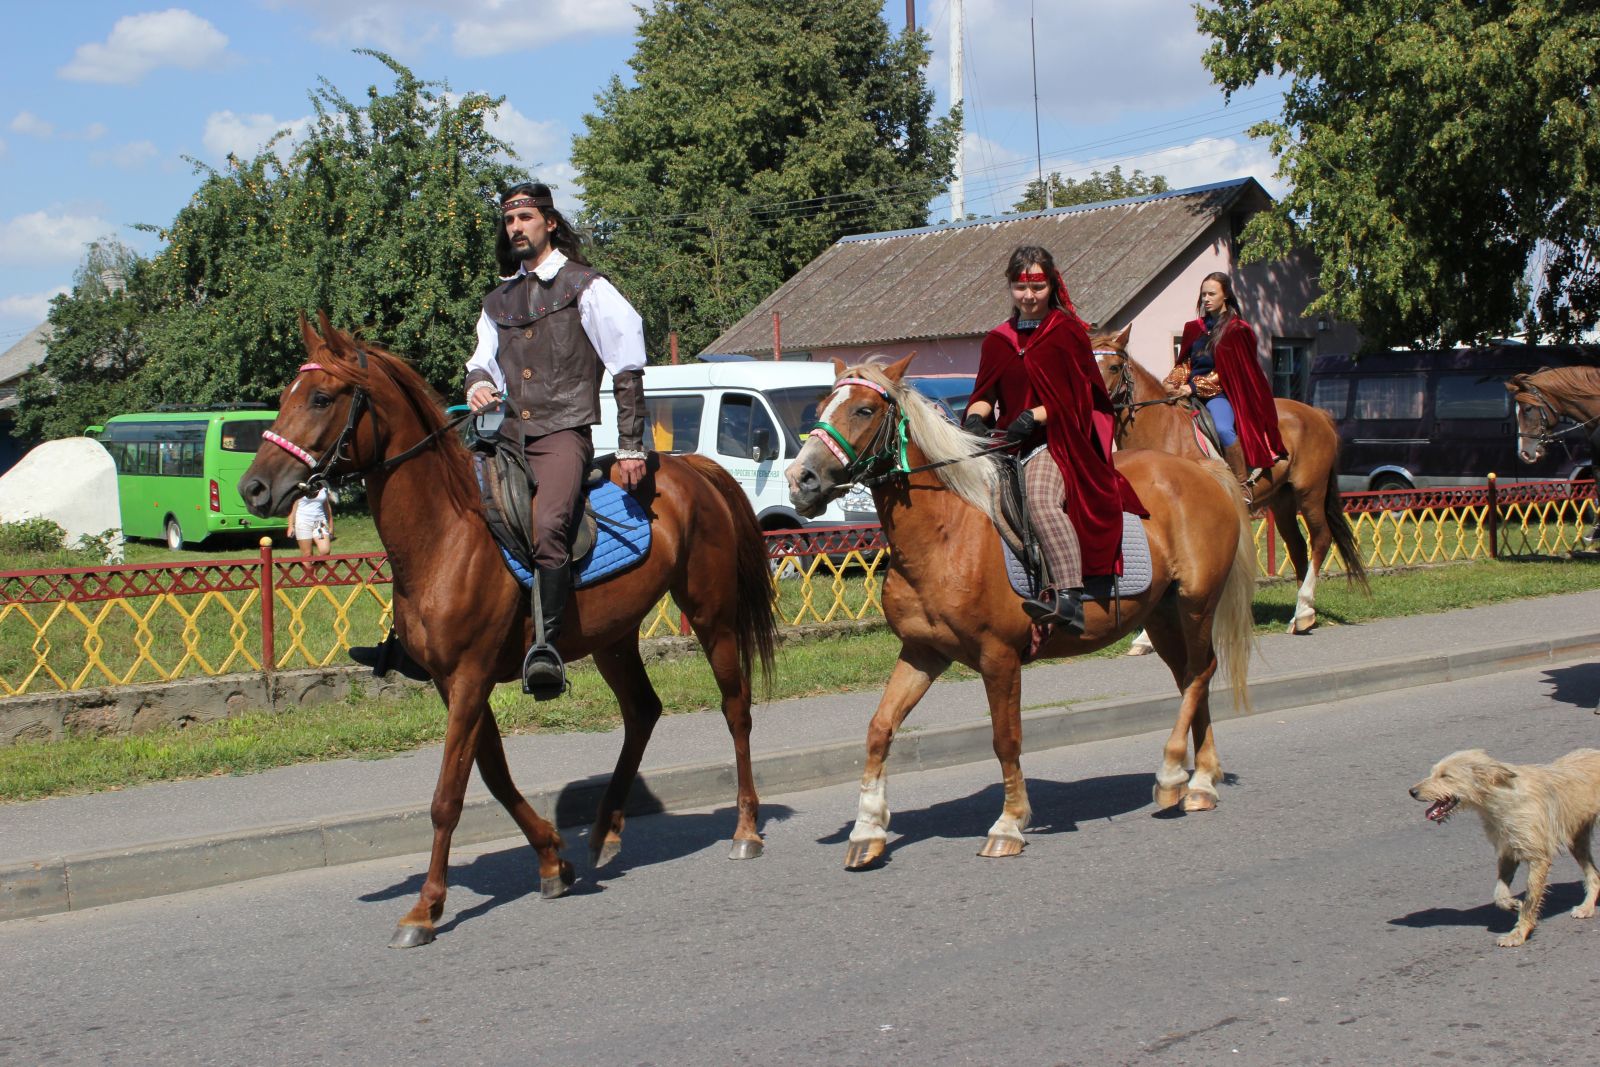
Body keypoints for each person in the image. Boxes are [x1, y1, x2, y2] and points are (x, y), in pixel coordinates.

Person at [351, 181, 649, 693]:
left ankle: (547, 648)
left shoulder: (586, 286)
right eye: (509, 221)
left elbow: (626, 365)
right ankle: (418, 639)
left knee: (549, 526)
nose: (516, 228)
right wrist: (481, 385)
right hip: (504, 437)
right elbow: (479, 362)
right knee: (445, 517)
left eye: (525, 218)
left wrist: (629, 447)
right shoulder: (498, 299)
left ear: (549, 223)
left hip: (562, 434)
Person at [962, 246, 1145, 634]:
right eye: (1020, 287)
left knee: (1042, 499)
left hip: (1057, 442)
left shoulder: (1067, 333)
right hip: (1005, 444)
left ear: (1051, 285)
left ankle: (1069, 597)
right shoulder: (997, 339)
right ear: (1010, 287)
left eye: (1038, 286)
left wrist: (1036, 415)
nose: (1029, 296)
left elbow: (1083, 400)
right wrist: (977, 419)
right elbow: (984, 394)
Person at [1164, 271, 1288, 499]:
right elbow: (1187, 363)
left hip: (1219, 394)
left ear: (1226, 296)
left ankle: (1241, 484)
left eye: (1212, 294)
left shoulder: (1237, 330)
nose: (1206, 299)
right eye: (1203, 295)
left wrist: (1194, 387)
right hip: (1188, 393)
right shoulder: (1194, 328)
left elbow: (1229, 372)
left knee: (1223, 428)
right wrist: (1171, 383)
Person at [286, 486, 333, 556]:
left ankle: (314, 566)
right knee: (307, 554)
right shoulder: (300, 488)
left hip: (319, 523)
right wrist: (290, 526)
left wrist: (331, 526)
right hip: (303, 523)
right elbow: (292, 508)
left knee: (325, 551)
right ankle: (309, 567)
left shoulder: (323, 488)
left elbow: (327, 508)